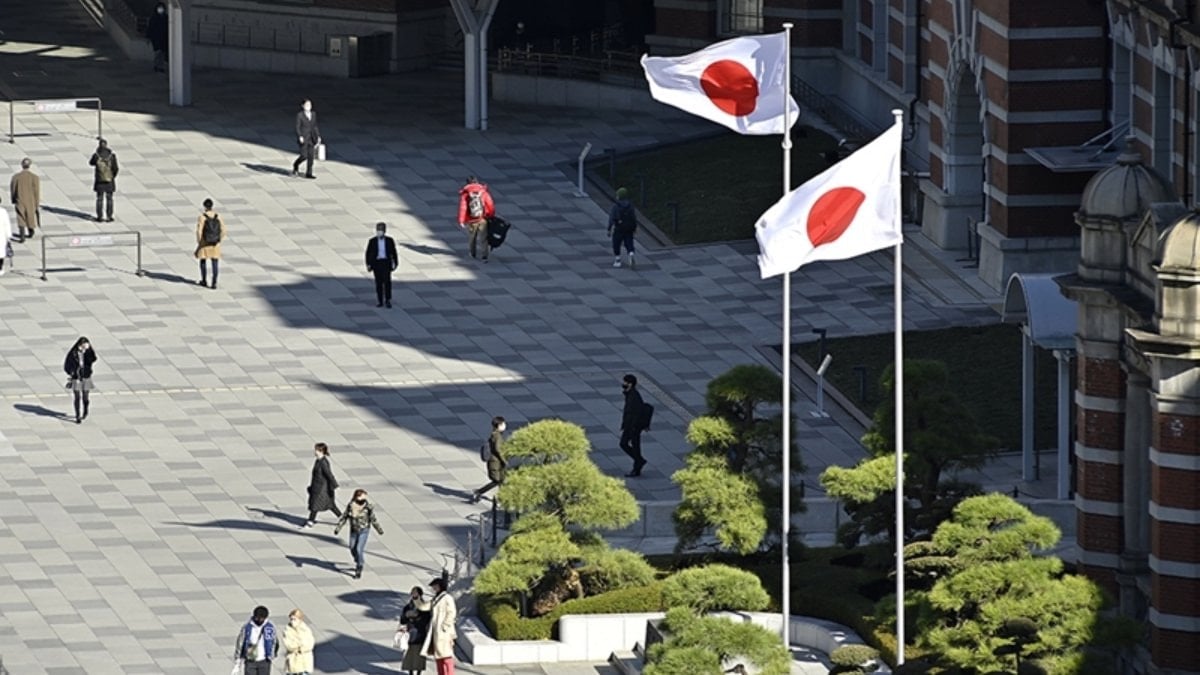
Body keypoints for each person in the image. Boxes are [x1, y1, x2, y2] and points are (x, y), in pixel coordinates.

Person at [334, 488, 383, 579]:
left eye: (364, 497)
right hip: (353, 530)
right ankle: (358, 560)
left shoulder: (368, 507)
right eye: (362, 497)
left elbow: (373, 519)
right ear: (356, 497)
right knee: (352, 548)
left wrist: (379, 529)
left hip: (364, 530)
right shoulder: (351, 506)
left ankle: (359, 567)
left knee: (359, 548)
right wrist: (338, 528)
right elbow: (344, 517)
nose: (363, 499)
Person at [421, 577, 457, 675]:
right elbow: (424, 607)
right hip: (436, 632)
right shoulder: (435, 599)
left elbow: (452, 613)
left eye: (435, 586)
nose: (433, 588)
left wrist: (445, 626)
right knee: (439, 657)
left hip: (444, 632)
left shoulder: (447, 598)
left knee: (446, 656)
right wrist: (417, 599)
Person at [457, 176, 495, 262]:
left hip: (471, 220)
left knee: (472, 238)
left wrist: (461, 221)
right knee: (483, 238)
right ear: (477, 182)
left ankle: (472, 253)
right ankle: (484, 256)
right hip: (482, 218)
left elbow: (463, 208)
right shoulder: (483, 192)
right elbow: (490, 204)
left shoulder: (466, 194)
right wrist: (490, 215)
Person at [234, 605, 279, 675]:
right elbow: (240, 642)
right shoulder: (247, 627)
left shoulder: (269, 627)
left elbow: (274, 641)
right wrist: (238, 658)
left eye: (262, 618)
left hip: (264, 660)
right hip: (250, 659)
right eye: (258, 618)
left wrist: (272, 655)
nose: (260, 620)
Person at [471, 416, 507, 504]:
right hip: (495, 463)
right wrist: (504, 459)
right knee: (497, 480)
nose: (505, 425)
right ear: (499, 425)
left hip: (496, 462)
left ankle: (502, 498)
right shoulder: (497, 436)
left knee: (501, 480)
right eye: (503, 424)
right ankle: (479, 492)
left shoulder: (494, 434)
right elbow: (498, 449)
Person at [305, 442, 341, 527]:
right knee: (330, 505)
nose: (315, 452)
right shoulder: (318, 461)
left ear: (321, 451)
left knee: (315, 504)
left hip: (322, 489)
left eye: (317, 450)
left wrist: (334, 484)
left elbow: (329, 474)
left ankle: (310, 521)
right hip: (317, 487)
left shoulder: (323, 462)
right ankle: (341, 517)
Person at [398, 586, 432, 675]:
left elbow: (426, 620)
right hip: (409, 634)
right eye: (412, 592)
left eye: (415, 592)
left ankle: (418, 673)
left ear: (420, 594)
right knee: (409, 655)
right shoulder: (408, 607)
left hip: (420, 634)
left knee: (419, 656)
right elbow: (402, 620)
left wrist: (415, 618)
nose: (413, 594)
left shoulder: (424, 607)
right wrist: (406, 615)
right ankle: (411, 672)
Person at [364, 222, 398, 308]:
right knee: (378, 283)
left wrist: (395, 263)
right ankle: (380, 301)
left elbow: (394, 252)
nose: (379, 232)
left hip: (386, 263)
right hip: (377, 263)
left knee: (387, 282)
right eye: (378, 230)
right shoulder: (372, 241)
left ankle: (388, 300)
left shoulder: (389, 241)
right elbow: (368, 253)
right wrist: (368, 264)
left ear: (384, 231)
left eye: (381, 230)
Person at [64, 337, 97, 424]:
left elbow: (93, 359)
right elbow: (67, 365)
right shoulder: (73, 353)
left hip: (86, 376)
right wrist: (71, 372)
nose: (83, 346)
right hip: (76, 377)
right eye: (82, 345)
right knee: (77, 397)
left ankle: (85, 409)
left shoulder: (87, 352)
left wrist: (88, 350)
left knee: (85, 397)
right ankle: (77, 415)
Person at [620, 374, 647, 477]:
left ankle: (638, 464)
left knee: (628, 444)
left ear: (630, 384)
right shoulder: (630, 394)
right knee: (631, 445)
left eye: (625, 382)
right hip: (630, 426)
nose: (623, 384)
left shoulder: (634, 396)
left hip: (633, 426)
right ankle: (638, 463)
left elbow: (634, 413)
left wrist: (632, 427)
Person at [195, 198, 225, 289]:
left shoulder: (202, 217)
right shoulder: (218, 216)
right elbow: (223, 230)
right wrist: (218, 239)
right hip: (215, 243)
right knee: (215, 262)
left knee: (203, 261)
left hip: (205, 243)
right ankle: (214, 282)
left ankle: (204, 280)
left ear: (205, 207)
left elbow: (199, 231)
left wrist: (200, 242)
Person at [10, 157, 40, 241]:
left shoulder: (16, 177)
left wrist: (13, 199)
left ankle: (22, 235)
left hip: (19, 199)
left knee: (21, 217)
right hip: (31, 201)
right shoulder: (34, 177)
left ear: (22, 165)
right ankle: (31, 231)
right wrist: (37, 203)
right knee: (30, 216)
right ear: (29, 165)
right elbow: (36, 191)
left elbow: (13, 189)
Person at [607, 187, 638, 269]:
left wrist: (609, 229)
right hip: (629, 228)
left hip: (619, 228)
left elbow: (611, 218)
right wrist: (634, 228)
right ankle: (631, 253)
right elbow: (633, 217)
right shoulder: (630, 206)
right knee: (629, 241)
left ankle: (617, 259)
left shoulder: (615, 206)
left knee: (616, 243)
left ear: (619, 196)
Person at [88, 139, 118, 222]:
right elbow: (115, 168)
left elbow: (91, 163)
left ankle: (100, 217)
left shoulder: (96, 155)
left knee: (99, 198)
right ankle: (109, 216)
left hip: (99, 180)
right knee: (109, 198)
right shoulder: (112, 156)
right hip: (109, 180)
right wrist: (112, 176)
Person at [292, 100, 321, 179]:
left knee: (311, 157)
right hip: (304, 138)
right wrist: (300, 136)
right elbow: (297, 127)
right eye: (307, 105)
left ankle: (309, 173)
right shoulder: (300, 115)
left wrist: (318, 136)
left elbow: (315, 126)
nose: (309, 106)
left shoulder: (313, 114)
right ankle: (296, 164)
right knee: (304, 156)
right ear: (303, 106)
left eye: (310, 105)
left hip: (311, 138)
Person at [281, 608, 315, 675]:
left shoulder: (306, 630)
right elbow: (288, 644)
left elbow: (310, 644)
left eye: (294, 619)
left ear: (300, 619)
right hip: (293, 661)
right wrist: (299, 645)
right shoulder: (287, 630)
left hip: (305, 662)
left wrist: (300, 647)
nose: (292, 621)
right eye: (291, 619)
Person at [146, 3, 168, 73]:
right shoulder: (154, 17)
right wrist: (148, 37)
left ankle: (160, 66)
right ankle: (156, 65)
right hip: (156, 38)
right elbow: (150, 28)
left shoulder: (166, 17)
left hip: (164, 38)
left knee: (162, 53)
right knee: (158, 52)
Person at [0, 197, 11, 276]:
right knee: (1, 253)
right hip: (1, 235)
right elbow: (7, 224)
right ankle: (0, 268)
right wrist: (8, 235)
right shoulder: (3, 212)